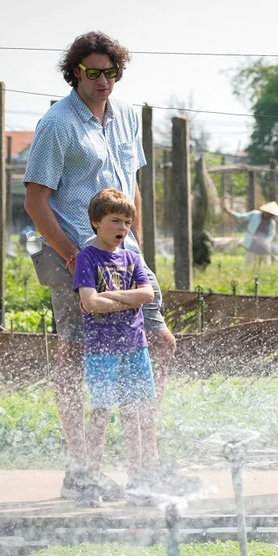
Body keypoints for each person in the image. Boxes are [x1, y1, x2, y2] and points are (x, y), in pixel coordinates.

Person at [23, 31, 184, 501]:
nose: (102, 80)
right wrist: (75, 256)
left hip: (125, 253)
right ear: (75, 72)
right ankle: (81, 470)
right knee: (77, 354)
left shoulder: (127, 117)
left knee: (158, 342)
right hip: (71, 253)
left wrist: (130, 245)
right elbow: (36, 202)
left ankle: (143, 464)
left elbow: (131, 188)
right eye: (93, 72)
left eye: (111, 72)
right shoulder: (57, 124)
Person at [72, 190, 159, 506]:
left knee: (132, 413)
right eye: (115, 221)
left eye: (127, 221)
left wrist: (110, 298)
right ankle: (91, 482)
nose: (122, 227)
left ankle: (137, 482)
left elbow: (147, 295)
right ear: (97, 222)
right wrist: (127, 296)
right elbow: (89, 302)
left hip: (136, 347)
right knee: (100, 414)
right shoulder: (87, 258)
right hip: (102, 351)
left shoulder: (132, 258)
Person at [224, 201, 278, 269]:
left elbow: (271, 235)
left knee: (266, 266)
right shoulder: (254, 215)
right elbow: (241, 217)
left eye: (271, 214)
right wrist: (229, 212)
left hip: (264, 246)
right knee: (247, 265)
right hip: (252, 243)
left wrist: (266, 241)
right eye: (268, 213)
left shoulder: (272, 223)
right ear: (265, 211)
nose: (269, 215)